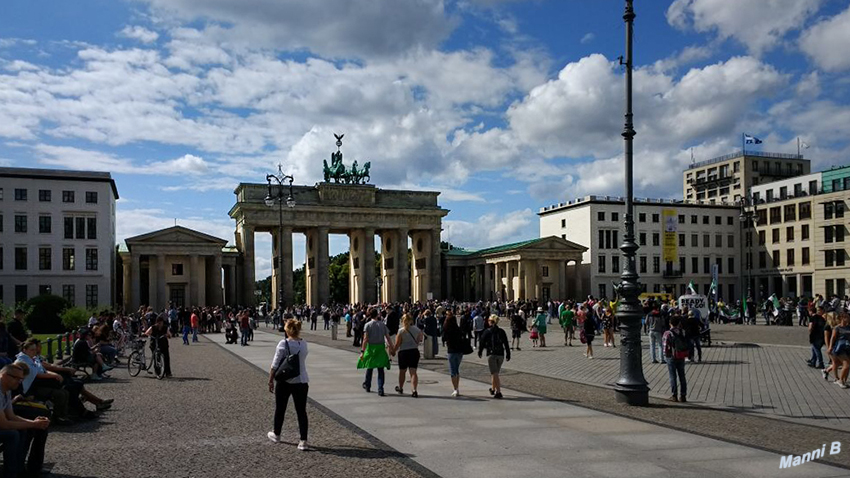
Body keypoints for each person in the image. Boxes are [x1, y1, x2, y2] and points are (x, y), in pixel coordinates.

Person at [0, 363, 50, 478]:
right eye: (17, 378)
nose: (19, 382)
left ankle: (26, 468)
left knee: (30, 428)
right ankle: (10, 474)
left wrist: (34, 423)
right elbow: (4, 424)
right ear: (4, 375)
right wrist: (32, 424)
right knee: (12, 434)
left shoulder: (6, 390)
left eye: (21, 379)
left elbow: (12, 416)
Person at [267, 319, 309, 450]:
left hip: (285, 381)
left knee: (280, 408)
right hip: (301, 380)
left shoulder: (283, 343)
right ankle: (303, 441)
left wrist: (270, 380)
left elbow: (274, 364)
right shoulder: (304, 344)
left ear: (287, 330)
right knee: (301, 411)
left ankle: (277, 434)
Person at [358, 309, 394, 396]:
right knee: (380, 369)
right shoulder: (382, 325)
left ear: (370, 315)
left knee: (369, 367)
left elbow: (365, 339)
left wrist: (362, 351)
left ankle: (367, 385)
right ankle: (380, 389)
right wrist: (392, 348)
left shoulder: (367, 325)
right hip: (381, 348)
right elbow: (388, 337)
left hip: (371, 348)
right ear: (377, 315)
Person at [478, 315, 511, 399]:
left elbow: (482, 342)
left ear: (491, 321)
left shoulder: (487, 331)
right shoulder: (501, 331)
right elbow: (506, 343)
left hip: (492, 354)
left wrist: (480, 351)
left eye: (488, 320)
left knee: (494, 373)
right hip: (501, 354)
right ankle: (492, 389)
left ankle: (498, 392)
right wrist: (508, 353)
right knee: (495, 373)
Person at [393, 314, 423, 397]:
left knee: (402, 371)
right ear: (411, 321)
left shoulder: (401, 331)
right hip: (414, 351)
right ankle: (414, 390)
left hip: (403, 352)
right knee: (413, 372)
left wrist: (393, 351)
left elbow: (397, 344)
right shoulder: (417, 330)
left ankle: (401, 387)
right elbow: (420, 340)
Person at [663, 316, 689, 402]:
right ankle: (683, 395)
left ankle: (674, 395)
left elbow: (665, 346)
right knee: (682, 376)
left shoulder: (668, 333)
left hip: (671, 356)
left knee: (672, 376)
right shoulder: (683, 332)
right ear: (678, 323)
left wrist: (665, 355)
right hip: (681, 355)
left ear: (670, 323)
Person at [442, 310, 466, 397]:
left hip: (451, 351)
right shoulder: (458, 329)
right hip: (459, 351)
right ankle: (457, 387)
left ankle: (455, 389)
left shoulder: (447, 329)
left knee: (453, 371)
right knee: (456, 369)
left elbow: (443, 338)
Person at [828, 312, 850, 389]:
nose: (848, 319)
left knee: (847, 365)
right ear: (841, 318)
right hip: (840, 348)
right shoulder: (837, 328)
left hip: (848, 348)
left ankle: (844, 381)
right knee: (846, 364)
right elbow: (833, 338)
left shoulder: (849, 327)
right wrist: (830, 347)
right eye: (846, 317)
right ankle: (840, 380)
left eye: (848, 317)